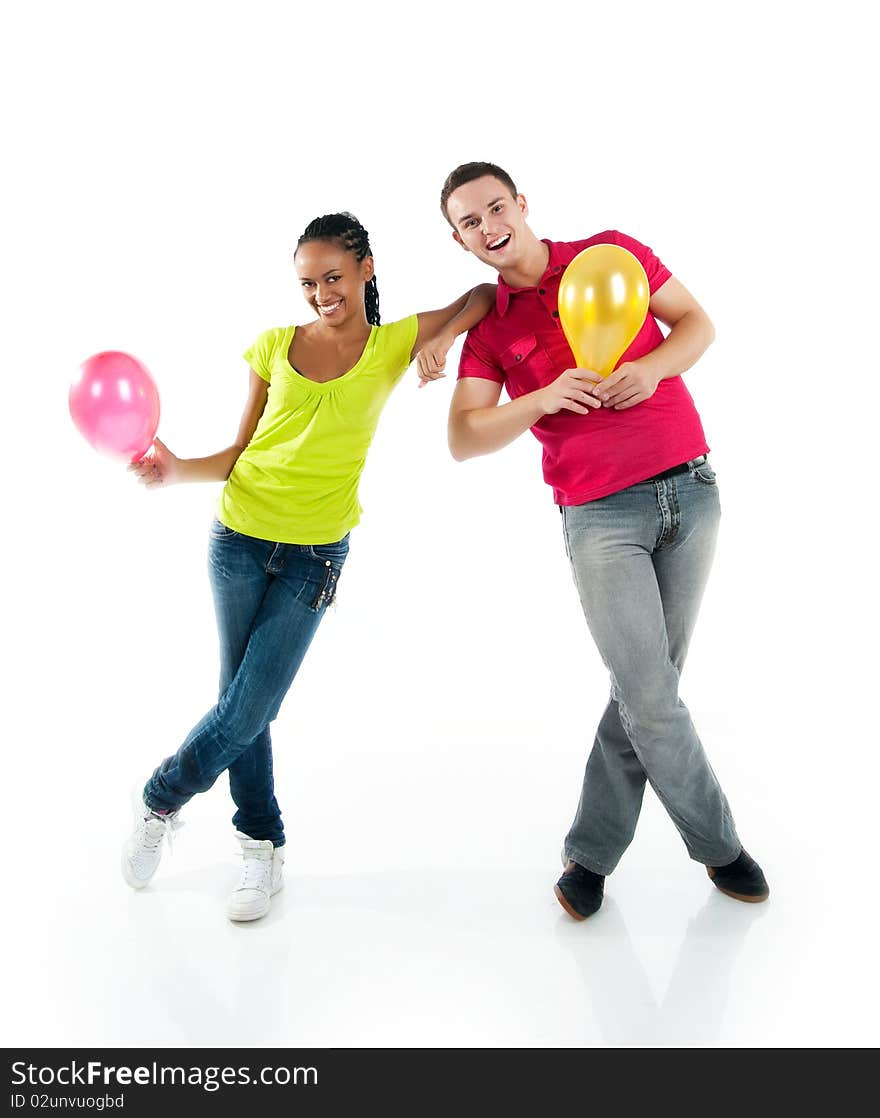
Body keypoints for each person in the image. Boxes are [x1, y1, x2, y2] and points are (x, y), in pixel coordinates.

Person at [122, 211, 494, 922]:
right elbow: (238, 455)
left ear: (365, 270)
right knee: (243, 707)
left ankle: (159, 798)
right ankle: (261, 848)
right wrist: (174, 471)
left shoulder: (391, 344)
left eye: (333, 277)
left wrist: (440, 341)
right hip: (236, 538)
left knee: (248, 705)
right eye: (307, 282)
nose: (322, 293)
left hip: (315, 555)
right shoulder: (273, 345)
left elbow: (480, 294)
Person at [437, 162, 768, 920]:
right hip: (600, 519)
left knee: (646, 690)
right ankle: (720, 847)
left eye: (496, 207)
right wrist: (544, 399)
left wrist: (650, 370)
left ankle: (588, 855)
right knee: (651, 695)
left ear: (521, 204)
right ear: (458, 240)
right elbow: (463, 437)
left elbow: (698, 325)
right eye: (469, 222)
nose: (490, 227)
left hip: (692, 491)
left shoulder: (608, 255)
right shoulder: (489, 334)